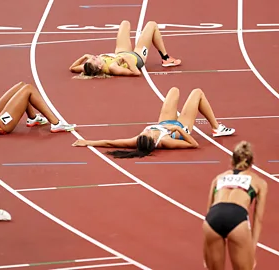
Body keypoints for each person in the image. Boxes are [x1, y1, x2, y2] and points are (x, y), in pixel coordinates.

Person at [72, 87, 235, 158]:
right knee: (197, 93)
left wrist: (87, 142)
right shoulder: (164, 142)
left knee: (174, 91)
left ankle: (183, 113)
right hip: (180, 127)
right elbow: (193, 145)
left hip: (164, 122)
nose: (145, 131)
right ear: (151, 140)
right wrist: (179, 130)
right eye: (147, 133)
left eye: (143, 133)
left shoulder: (138, 140)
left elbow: (111, 143)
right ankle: (216, 128)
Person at [203, 141, 267, 270]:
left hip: (213, 218)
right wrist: (251, 249)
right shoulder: (259, 182)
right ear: (251, 162)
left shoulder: (218, 178)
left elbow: (208, 210)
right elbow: (258, 219)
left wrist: (206, 251)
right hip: (237, 217)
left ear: (232, 160)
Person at [69, 20, 181, 77]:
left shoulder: (89, 67)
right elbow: (135, 73)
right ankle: (166, 58)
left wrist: (84, 57)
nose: (93, 57)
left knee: (125, 23)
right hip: (137, 57)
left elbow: (72, 68)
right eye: (94, 59)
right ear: (99, 66)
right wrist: (127, 59)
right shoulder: (113, 67)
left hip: (120, 52)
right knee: (152, 25)